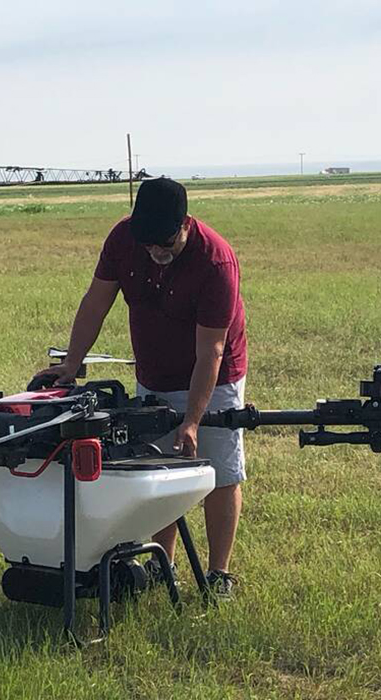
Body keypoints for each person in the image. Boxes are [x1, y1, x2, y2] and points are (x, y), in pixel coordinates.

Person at [34, 177, 247, 597]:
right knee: (158, 470)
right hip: (154, 374)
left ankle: (218, 574)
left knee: (220, 474)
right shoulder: (122, 240)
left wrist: (192, 420)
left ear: (185, 223)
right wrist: (71, 363)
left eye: (165, 242)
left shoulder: (215, 261)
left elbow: (212, 351)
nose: (156, 252)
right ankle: (161, 564)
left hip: (215, 376)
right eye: (147, 244)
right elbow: (96, 302)